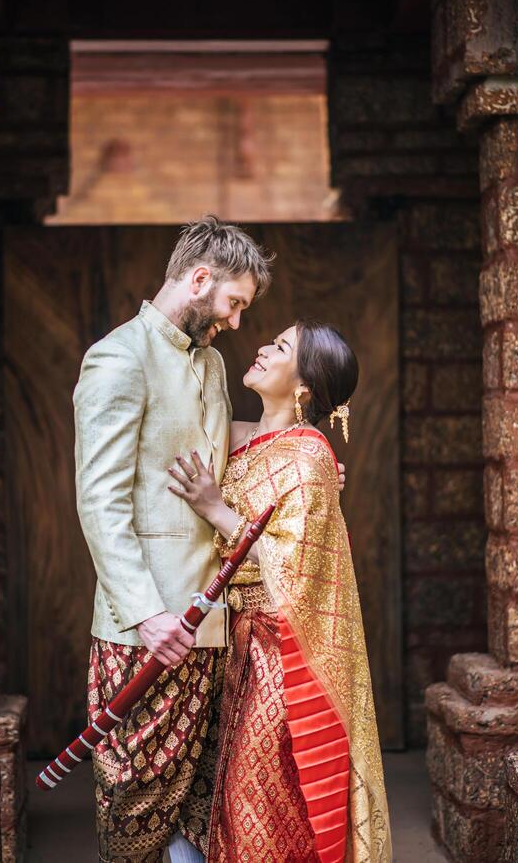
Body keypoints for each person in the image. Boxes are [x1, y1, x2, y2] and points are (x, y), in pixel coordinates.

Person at [74, 218, 347, 862]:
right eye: (234, 303)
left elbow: (215, 437)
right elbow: (100, 502)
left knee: (198, 801)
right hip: (147, 626)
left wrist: (303, 449)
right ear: (200, 280)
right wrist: (146, 615)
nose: (234, 319)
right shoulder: (118, 358)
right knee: (135, 793)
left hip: (216, 622)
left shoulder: (212, 361)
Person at [168, 321, 391, 863]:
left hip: (278, 659)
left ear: (305, 386)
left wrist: (215, 509)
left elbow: (293, 563)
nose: (264, 347)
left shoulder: (310, 455)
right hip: (231, 650)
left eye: (282, 347)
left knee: (259, 801)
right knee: (219, 802)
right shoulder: (247, 437)